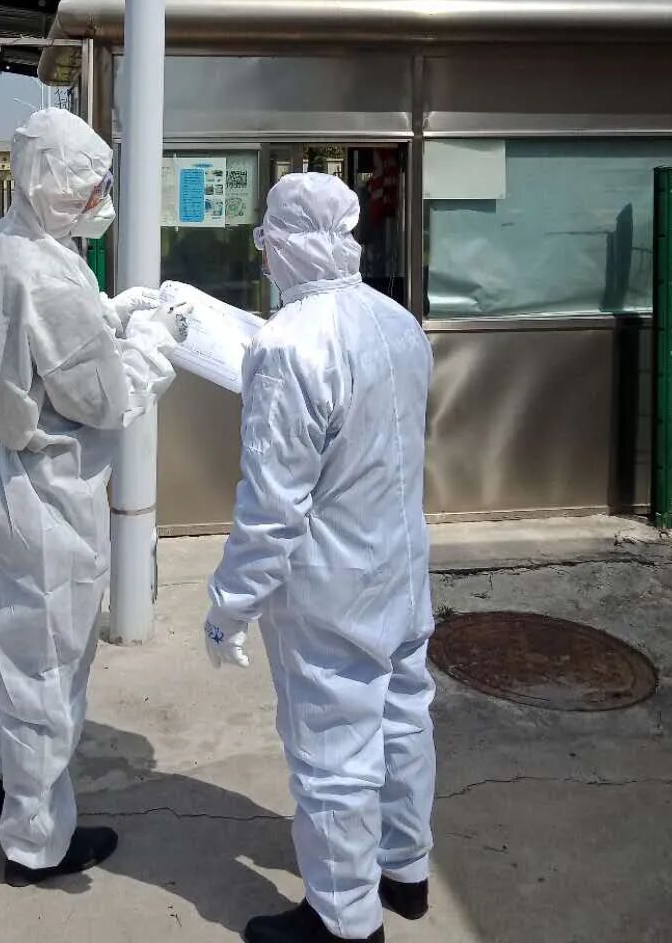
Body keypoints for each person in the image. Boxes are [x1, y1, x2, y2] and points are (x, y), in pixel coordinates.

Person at [0, 109, 186, 887]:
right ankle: (36, 843)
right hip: (32, 486)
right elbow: (102, 397)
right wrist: (154, 342)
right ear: (57, 186)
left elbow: (20, 348)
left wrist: (110, 315)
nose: (101, 199)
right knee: (41, 660)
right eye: (92, 186)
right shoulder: (51, 275)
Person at [203, 172, 436, 943]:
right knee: (403, 718)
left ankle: (343, 920)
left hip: (330, 587)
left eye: (267, 240)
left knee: (333, 750)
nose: (264, 254)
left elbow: (272, 509)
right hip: (401, 565)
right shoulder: (398, 321)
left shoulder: (286, 347)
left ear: (286, 243)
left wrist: (229, 606)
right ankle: (405, 872)